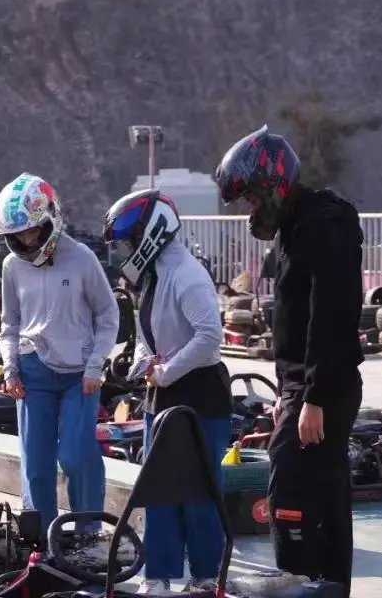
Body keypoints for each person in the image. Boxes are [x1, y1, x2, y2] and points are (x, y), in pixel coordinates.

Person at [215, 126, 363, 594]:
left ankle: (301, 584)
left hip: (324, 387)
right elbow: (292, 324)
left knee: (291, 496)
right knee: (327, 497)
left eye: (251, 198)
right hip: (304, 386)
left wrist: (314, 397)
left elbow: (331, 316)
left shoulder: (324, 227)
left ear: (271, 186)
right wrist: (288, 390)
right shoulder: (293, 230)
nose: (250, 209)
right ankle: (327, 586)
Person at [103, 189, 231, 595]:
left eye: (130, 238)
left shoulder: (187, 274)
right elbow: (147, 337)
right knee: (157, 489)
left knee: (199, 491)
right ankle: (157, 575)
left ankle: (206, 576)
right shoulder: (153, 275)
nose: (127, 249)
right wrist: (145, 365)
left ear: (153, 230)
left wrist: (167, 371)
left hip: (200, 393)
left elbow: (210, 336)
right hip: (163, 392)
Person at [0, 173, 118, 534]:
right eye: (18, 235)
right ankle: (40, 536)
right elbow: (10, 323)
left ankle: (88, 531)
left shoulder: (81, 258)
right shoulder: (12, 266)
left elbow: (108, 315)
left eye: (33, 231)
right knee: (36, 463)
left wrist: (96, 364)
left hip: (80, 374)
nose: (27, 241)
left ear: (51, 219)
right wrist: (10, 369)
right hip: (33, 370)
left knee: (76, 455)